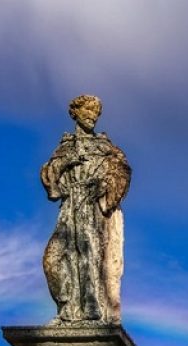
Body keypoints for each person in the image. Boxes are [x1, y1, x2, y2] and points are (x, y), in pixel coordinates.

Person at [41, 94, 131, 323]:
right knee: (53, 259)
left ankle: (90, 308)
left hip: (92, 207)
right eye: (88, 111)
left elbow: (122, 172)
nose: (92, 117)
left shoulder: (105, 148)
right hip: (69, 206)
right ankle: (67, 307)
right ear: (75, 113)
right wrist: (67, 161)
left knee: (87, 252)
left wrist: (103, 189)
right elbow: (49, 177)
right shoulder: (64, 147)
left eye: (96, 113)